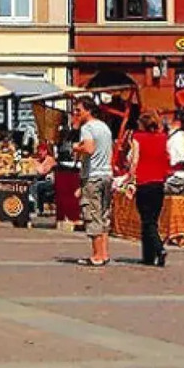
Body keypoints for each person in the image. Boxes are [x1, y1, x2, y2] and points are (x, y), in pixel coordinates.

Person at [72, 97, 114, 267]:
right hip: (106, 174)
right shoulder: (104, 127)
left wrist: (76, 147)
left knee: (92, 214)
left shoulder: (87, 128)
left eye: (79, 110)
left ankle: (97, 255)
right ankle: (104, 253)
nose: (76, 113)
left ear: (88, 111)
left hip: (93, 176)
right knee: (103, 215)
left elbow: (89, 148)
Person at [127, 113, 171, 266]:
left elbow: (135, 160)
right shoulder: (163, 138)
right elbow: (167, 157)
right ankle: (148, 256)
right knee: (152, 220)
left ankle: (159, 249)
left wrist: (130, 179)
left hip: (144, 182)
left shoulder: (138, 137)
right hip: (159, 183)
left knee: (147, 221)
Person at [29, 141, 57, 214]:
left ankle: (38, 208)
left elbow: (42, 172)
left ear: (45, 151)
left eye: (40, 152)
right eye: (38, 152)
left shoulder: (50, 159)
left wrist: (34, 162)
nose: (39, 154)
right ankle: (38, 207)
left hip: (53, 182)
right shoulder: (41, 160)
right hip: (46, 181)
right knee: (32, 184)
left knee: (37, 185)